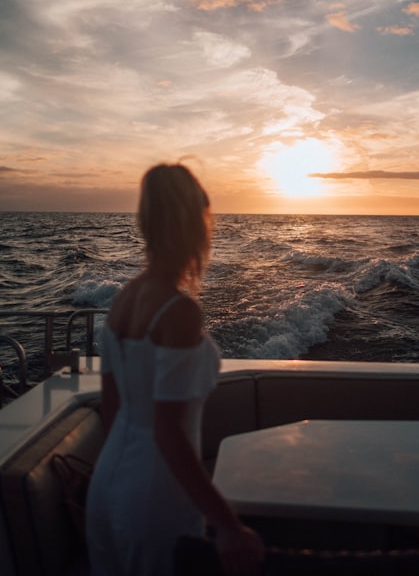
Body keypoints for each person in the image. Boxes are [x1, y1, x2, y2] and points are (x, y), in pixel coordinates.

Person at [85, 163, 264, 576]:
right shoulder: (178, 311)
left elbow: (112, 410)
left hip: (107, 485)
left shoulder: (122, 298)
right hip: (155, 496)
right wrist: (228, 524)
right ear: (193, 226)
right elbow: (169, 433)